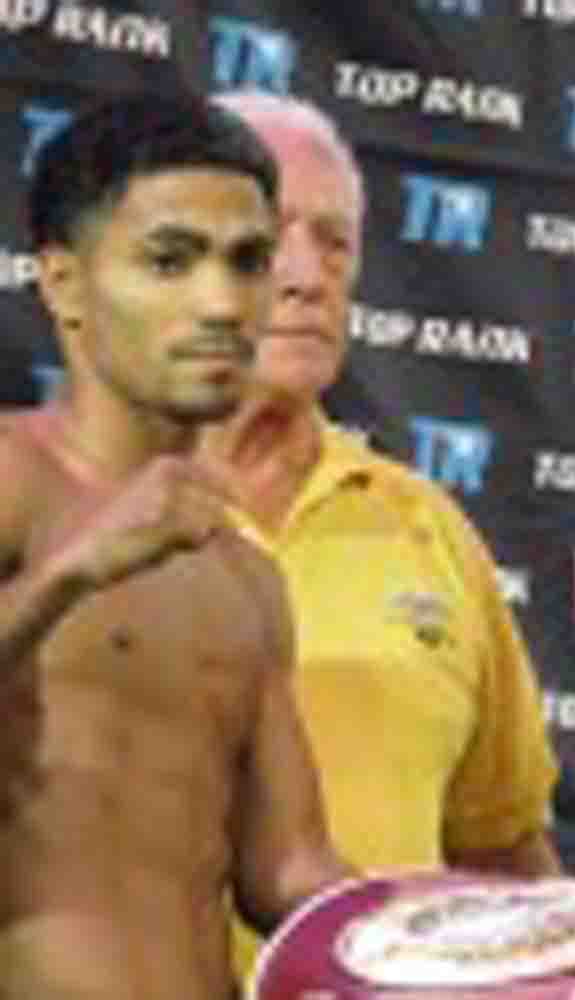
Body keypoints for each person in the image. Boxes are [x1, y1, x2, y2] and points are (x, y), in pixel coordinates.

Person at [196, 92, 561, 970]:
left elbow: (502, 855)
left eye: (335, 242)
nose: (306, 276)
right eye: (268, 235)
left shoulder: (427, 528)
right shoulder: (64, 512)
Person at [2, 92, 351, 999]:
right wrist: (70, 573)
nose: (224, 303)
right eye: (171, 260)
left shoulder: (244, 574)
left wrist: (487, 937)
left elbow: (290, 873)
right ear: (64, 284)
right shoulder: (11, 479)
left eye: (247, 261)